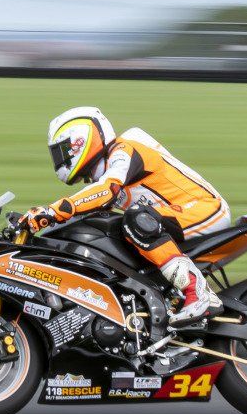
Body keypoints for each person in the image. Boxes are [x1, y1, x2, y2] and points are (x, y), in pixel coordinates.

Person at [20, 106, 229, 323]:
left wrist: (53, 211)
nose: (59, 159)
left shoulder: (124, 150)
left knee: (134, 218)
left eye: (61, 151)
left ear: (79, 140)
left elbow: (106, 190)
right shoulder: (104, 171)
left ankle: (198, 290)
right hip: (169, 221)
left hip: (204, 208)